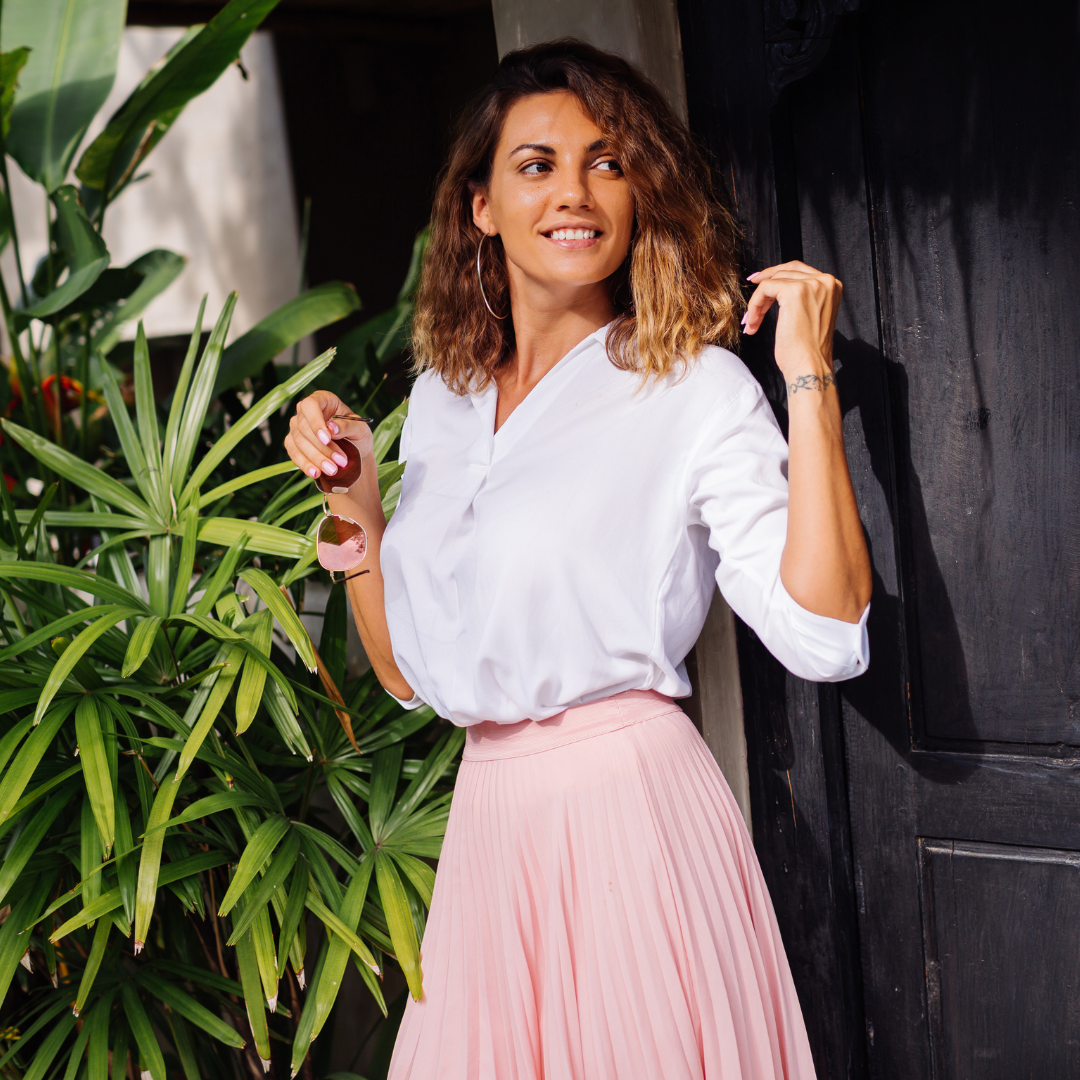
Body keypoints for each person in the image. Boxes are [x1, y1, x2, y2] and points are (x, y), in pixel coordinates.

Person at [284, 39, 871, 1080]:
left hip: (629, 822)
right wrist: (357, 510)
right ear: (480, 206)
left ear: (640, 190)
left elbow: (825, 637)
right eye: (537, 164)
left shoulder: (688, 387)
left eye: (607, 162)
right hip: (489, 835)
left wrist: (808, 381)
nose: (578, 192)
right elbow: (412, 676)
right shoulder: (444, 401)